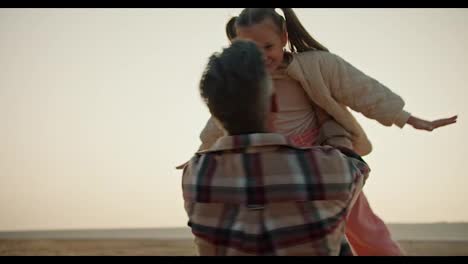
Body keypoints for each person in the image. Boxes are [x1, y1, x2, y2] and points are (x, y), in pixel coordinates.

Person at [198, 8, 457, 256]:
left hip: (322, 161)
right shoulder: (246, 84)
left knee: (364, 227)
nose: (263, 57)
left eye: (269, 47)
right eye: (253, 51)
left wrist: (406, 118)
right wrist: (202, 151)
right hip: (272, 167)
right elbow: (222, 119)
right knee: (286, 230)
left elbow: (362, 90)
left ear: (284, 37)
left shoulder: (317, 65)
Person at [180, 39, 370, 256]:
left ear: (214, 113)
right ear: (273, 103)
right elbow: (358, 166)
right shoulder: (328, 169)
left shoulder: (195, 175)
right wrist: (328, 120)